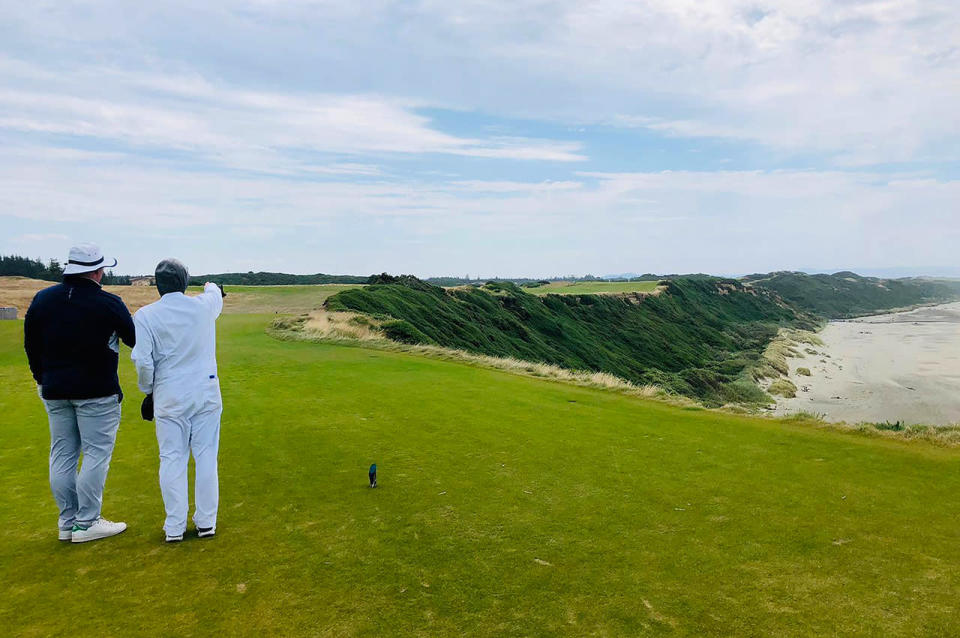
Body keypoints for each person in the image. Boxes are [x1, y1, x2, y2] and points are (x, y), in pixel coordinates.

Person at [24, 242, 135, 543]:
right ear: (98, 271)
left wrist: (40, 378)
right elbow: (133, 338)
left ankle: (67, 522)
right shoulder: (109, 303)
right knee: (96, 454)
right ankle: (86, 523)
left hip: (54, 389)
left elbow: (31, 345)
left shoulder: (42, 300)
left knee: (62, 454)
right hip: (97, 391)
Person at [131, 259, 224, 543]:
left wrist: (148, 391)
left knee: (172, 458)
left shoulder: (145, 316)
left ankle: (174, 527)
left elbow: (143, 362)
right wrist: (212, 287)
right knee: (206, 455)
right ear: (184, 282)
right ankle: (206, 522)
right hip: (205, 394)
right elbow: (214, 294)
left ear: (158, 285)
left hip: (169, 395)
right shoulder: (203, 307)